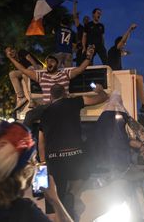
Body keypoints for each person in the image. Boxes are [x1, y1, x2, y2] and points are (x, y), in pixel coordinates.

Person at [0, 121, 73, 222]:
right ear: (23, 170)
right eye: (32, 160)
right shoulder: (23, 211)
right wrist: (55, 201)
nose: (35, 166)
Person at [38, 84, 108, 220]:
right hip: (75, 155)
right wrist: (99, 90)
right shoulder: (74, 102)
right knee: (82, 177)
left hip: (54, 159)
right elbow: (102, 98)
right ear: (64, 93)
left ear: (51, 96)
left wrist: (43, 164)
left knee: (53, 198)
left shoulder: (45, 113)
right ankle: (73, 194)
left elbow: (41, 142)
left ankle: (58, 213)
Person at [5, 45, 95, 128]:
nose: (49, 63)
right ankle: (24, 141)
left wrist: (88, 57)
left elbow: (80, 69)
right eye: (47, 62)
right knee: (29, 115)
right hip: (48, 107)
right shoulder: (42, 76)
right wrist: (10, 58)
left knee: (72, 118)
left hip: (63, 105)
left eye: (51, 61)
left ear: (57, 63)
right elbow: (23, 69)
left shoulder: (65, 74)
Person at [106, 23, 144, 112]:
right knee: (139, 78)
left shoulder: (114, 52)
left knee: (137, 80)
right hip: (115, 75)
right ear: (118, 44)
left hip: (115, 74)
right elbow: (123, 41)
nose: (123, 47)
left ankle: (143, 102)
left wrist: (127, 53)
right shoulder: (115, 49)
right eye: (123, 45)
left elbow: (123, 53)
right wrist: (130, 29)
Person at [72, 0, 90, 66]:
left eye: (87, 19)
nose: (86, 20)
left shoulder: (91, 30)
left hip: (88, 49)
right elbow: (75, 17)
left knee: (88, 65)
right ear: (83, 21)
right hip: (80, 49)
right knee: (79, 64)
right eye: (85, 19)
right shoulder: (80, 28)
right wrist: (75, 5)